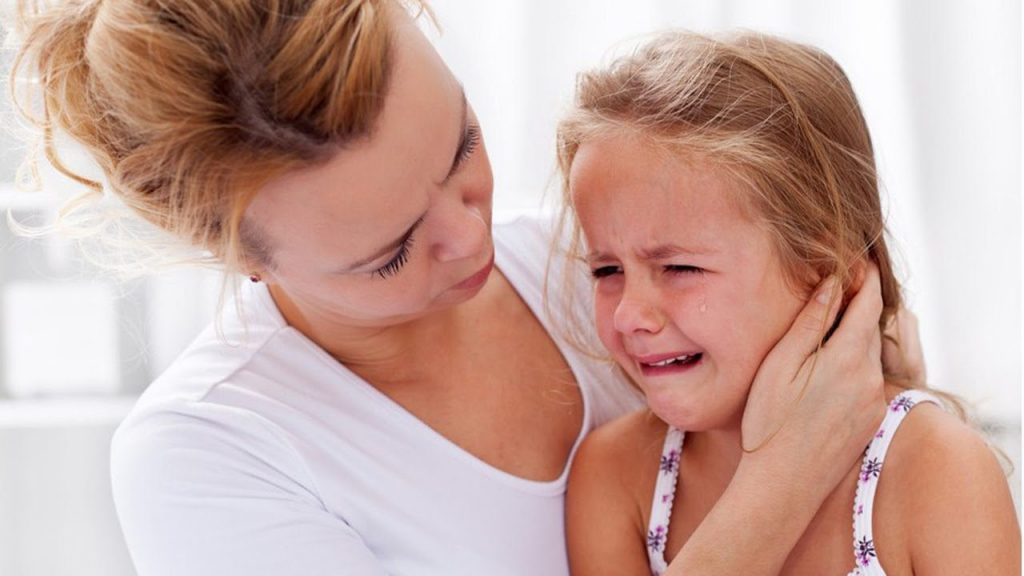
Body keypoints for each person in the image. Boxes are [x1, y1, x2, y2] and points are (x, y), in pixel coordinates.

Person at [11, 2, 910, 575]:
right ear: (245, 259)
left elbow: (885, 433)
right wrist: (787, 475)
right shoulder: (211, 459)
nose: (469, 233)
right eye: (391, 252)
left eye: (462, 149)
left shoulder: (603, 271)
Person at [558, 30, 1020, 576]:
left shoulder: (935, 471)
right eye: (606, 270)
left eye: (680, 268)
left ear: (826, 275)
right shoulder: (616, 478)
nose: (628, 315)